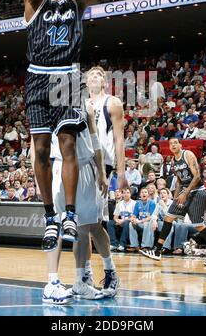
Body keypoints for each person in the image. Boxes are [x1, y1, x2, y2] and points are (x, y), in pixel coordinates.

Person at [23, 0, 121, 251]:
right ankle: (49, 216)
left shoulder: (76, 1)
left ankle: (66, 215)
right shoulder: (34, 2)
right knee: (41, 148)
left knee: (66, 145)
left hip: (66, 78)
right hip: (38, 79)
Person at [42, 100, 120, 304]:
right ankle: (52, 281)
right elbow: (38, 145)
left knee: (85, 227)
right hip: (60, 166)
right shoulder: (48, 104)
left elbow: (95, 140)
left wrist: (102, 171)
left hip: (86, 167)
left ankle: (79, 282)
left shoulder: (85, 105)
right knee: (56, 225)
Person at [140, 138, 206, 266]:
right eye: (171, 144)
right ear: (168, 148)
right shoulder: (174, 162)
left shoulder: (188, 155)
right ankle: (157, 251)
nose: (173, 145)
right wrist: (175, 197)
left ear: (180, 145)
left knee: (198, 225)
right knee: (168, 218)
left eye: (175, 143)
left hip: (198, 192)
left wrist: (185, 194)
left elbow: (197, 176)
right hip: (185, 193)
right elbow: (180, 181)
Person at [86, 66, 125, 186]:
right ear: (87, 83)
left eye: (99, 74)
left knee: (96, 204)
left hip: (102, 163)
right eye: (92, 74)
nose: (95, 76)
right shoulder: (82, 103)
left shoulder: (112, 102)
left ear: (105, 83)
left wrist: (121, 174)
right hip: (83, 161)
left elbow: (119, 140)